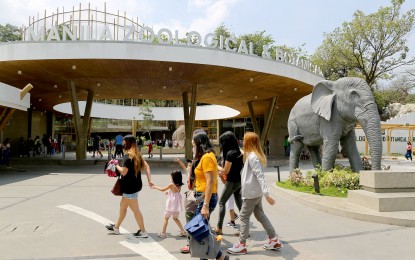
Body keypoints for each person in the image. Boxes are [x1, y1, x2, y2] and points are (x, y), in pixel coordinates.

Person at [227, 132, 281, 255]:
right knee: (260, 215)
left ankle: (242, 244)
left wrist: (267, 195)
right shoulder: (256, 155)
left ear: (249, 143)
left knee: (244, 217)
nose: (243, 142)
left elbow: (260, 176)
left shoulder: (252, 157)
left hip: (251, 194)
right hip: (256, 194)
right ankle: (274, 239)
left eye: (244, 140)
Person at [189, 129, 228, 260]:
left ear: (199, 143)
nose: (193, 147)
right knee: (201, 230)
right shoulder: (207, 156)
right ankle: (213, 257)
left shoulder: (207, 157)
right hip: (204, 196)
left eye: (194, 144)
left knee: (198, 230)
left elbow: (210, 181)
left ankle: (220, 256)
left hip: (206, 198)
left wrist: (205, 205)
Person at [105, 134, 154, 238]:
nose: (122, 144)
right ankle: (116, 228)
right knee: (123, 207)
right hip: (135, 186)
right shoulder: (137, 155)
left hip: (129, 188)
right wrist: (150, 180)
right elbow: (147, 166)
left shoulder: (128, 157)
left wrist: (116, 164)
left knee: (135, 210)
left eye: (124, 142)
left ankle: (143, 231)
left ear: (128, 143)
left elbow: (123, 172)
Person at [215, 131, 243, 235]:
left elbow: (225, 171)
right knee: (240, 205)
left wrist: (216, 166)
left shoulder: (230, 154)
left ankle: (219, 228)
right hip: (239, 181)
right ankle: (245, 230)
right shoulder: (239, 151)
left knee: (222, 202)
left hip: (231, 182)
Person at [151, 169, 187, 238]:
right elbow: (175, 193)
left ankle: (163, 233)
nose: (170, 178)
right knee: (175, 218)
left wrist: (155, 187)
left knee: (166, 218)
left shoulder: (171, 185)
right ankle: (183, 231)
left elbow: (162, 189)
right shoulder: (179, 185)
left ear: (174, 178)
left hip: (171, 205)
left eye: (171, 177)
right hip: (176, 205)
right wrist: (169, 193)